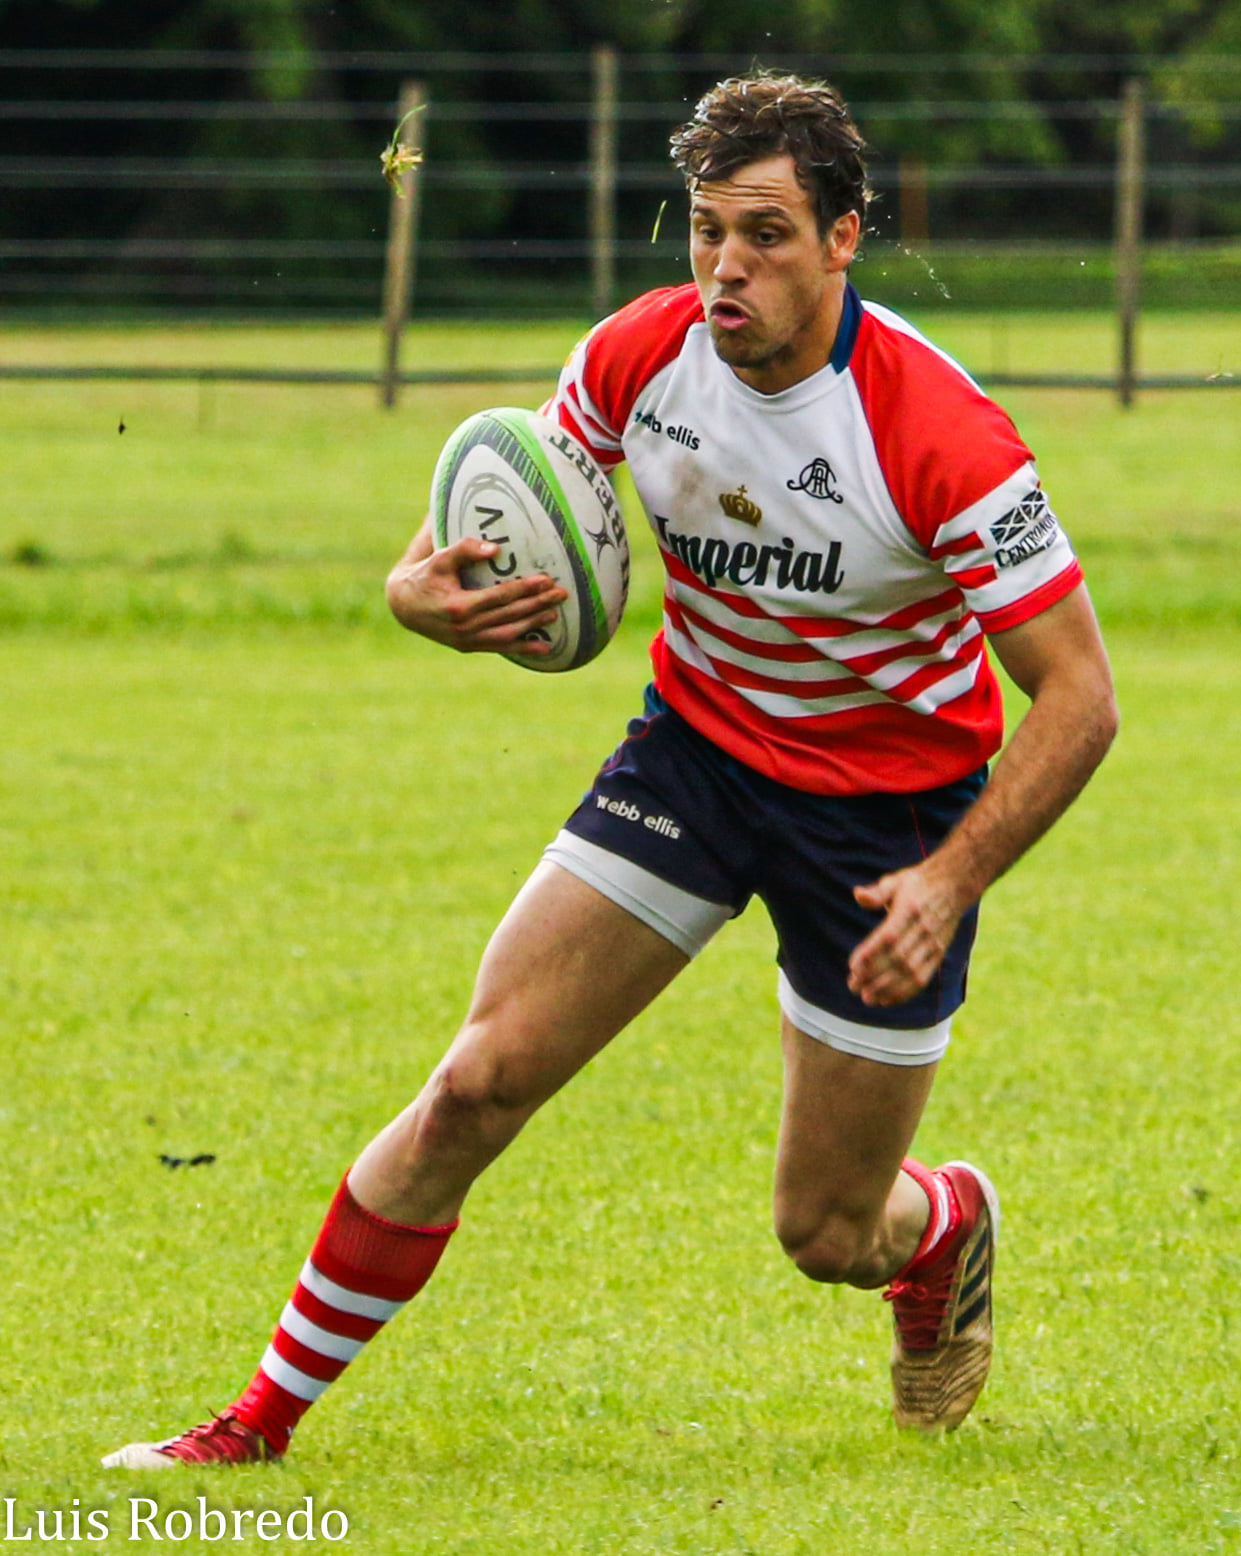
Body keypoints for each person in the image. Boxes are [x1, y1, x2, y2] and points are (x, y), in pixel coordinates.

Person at [104, 71, 1117, 1469]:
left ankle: (935, 1227)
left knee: (824, 1230)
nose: (725, 267)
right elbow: (472, 528)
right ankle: (254, 1426)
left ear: (843, 238)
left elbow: (1079, 700)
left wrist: (947, 882)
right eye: (705, 230)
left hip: (889, 827)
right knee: (476, 1082)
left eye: (764, 232)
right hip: (694, 760)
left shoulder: (941, 436)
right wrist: (420, 599)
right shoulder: (638, 357)